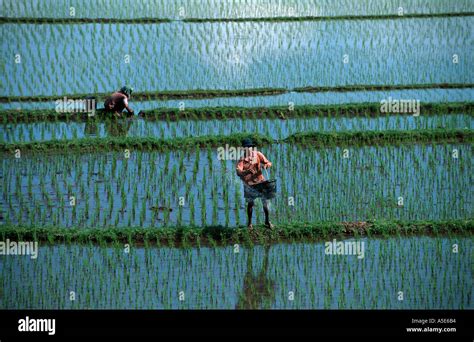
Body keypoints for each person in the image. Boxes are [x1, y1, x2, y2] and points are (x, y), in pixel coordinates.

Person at [236, 138, 274, 230]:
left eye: (249, 147)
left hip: (261, 181)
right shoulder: (242, 160)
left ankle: (267, 221)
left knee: (265, 202)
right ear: (244, 149)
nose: (248, 149)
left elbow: (269, 162)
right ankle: (249, 223)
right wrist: (246, 172)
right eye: (246, 147)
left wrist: (266, 165)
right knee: (250, 204)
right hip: (249, 185)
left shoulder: (258, 154)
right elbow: (238, 172)